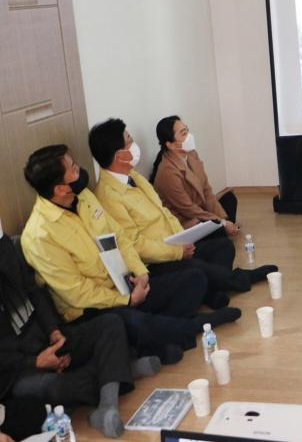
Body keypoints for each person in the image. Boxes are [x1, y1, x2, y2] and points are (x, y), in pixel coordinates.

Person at [20, 145, 240, 364]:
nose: (79, 169)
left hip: (127, 283)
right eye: (73, 168)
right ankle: (193, 327)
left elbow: (120, 237)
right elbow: (78, 293)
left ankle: (158, 341)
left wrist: (141, 273)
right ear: (60, 189)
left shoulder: (84, 197)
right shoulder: (39, 236)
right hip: (93, 308)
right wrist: (126, 300)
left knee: (194, 279)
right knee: (133, 322)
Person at [89, 119, 275, 309]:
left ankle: (211, 292)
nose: (134, 144)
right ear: (119, 155)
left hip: (175, 242)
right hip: (155, 261)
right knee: (197, 268)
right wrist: (177, 252)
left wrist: (184, 239)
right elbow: (136, 245)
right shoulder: (109, 197)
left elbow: (164, 212)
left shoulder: (133, 176)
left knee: (223, 247)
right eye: (129, 140)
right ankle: (241, 279)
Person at [0, 233, 160, 438]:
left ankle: (107, 404)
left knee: (110, 324)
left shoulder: (6, 245)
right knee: (56, 388)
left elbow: (34, 292)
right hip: (16, 371)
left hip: (46, 341)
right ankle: (119, 372)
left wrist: (53, 331)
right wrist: (36, 362)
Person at [150, 116, 239, 237]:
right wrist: (222, 223)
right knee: (219, 234)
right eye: (183, 133)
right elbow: (188, 209)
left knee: (229, 198)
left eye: (187, 130)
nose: (189, 135)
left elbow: (207, 191)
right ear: (170, 145)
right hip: (187, 219)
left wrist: (222, 219)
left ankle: (225, 229)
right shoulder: (167, 172)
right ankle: (223, 231)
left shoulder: (191, 153)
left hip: (201, 210)